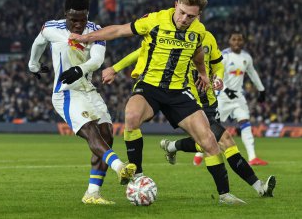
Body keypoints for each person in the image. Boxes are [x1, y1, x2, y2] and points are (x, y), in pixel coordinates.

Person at [71, 0, 244, 205]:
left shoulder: (199, 31)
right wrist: (86, 37)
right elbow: (119, 31)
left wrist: (202, 73)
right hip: (150, 87)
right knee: (131, 116)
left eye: (191, 16)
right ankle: (137, 175)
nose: (184, 19)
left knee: (209, 140)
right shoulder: (154, 20)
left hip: (179, 92)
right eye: (181, 12)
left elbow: (198, 53)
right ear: (175, 4)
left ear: (198, 15)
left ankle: (225, 195)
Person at [103, 31, 276, 198]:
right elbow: (140, 52)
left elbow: (217, 65)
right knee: (225, 141)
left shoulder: (207, 37)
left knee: (206, 143)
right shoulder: (171, 37)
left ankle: (172, 147)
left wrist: (218, 78)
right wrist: (115, 68)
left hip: (210, 101)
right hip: (190, 102)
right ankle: (257, 187)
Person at [28, 0, 136, 205]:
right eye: (73, 20)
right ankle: (120, 168)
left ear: (88, 15)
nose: (78, 25)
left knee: (107, 136)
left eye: (82, 20)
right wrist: (33, 66)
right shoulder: (51, 28)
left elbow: (97, 60)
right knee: (91, 132)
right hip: (66, 93)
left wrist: (79, 69)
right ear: (65, 14)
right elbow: (38, 44)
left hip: (89, 90)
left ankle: (92, 194)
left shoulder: (96, 31)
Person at [212, 31, 268, 166]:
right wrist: (225, 89)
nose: (237, 42)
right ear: (229, 41)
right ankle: (198, 154)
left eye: (239, 40)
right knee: (212, 126)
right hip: (223, 97)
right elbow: (214, 75)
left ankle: (253, 157)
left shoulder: (246, 57)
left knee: (245, 122)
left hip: (238, 98)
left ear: (243, 42)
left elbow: (252, 73)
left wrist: (261, 90)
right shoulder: (224, 56)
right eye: (234, 39)